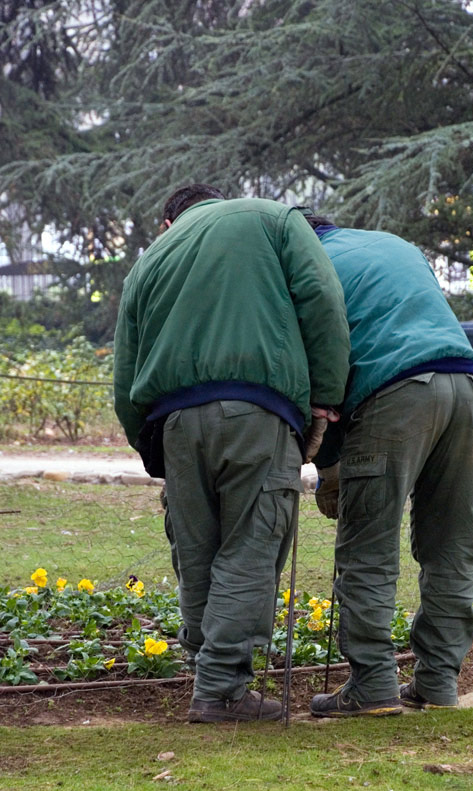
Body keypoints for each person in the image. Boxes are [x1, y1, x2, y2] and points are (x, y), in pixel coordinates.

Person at [113, 185, 350, 723]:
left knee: (196, 550)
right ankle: (221, 692)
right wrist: (324, 400)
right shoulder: (273, 218)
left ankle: (208, 675)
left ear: (169, 220)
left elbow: (125, 366)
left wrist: (151, 450)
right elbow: (322, 299)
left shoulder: (152, 259)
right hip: (257, 411)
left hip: (172, 421)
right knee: (252, 542)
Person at [303, 214, 473, 718]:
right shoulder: (394, 243)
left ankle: (372, 685)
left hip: (396, 393)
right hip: (468, 387)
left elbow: (316, 363)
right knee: (450, 545)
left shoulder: (306, 260)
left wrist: (326, 461)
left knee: (368, 546)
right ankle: (437, 683)